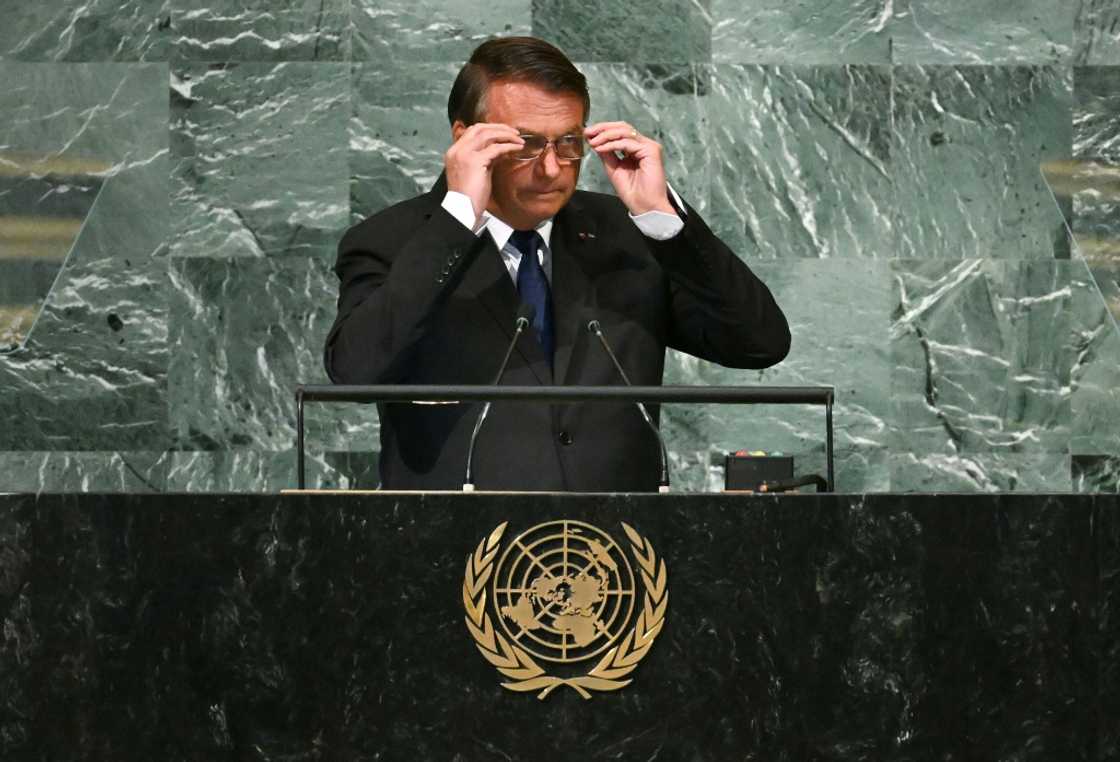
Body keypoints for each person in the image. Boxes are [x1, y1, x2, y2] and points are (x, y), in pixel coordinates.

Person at [324, 36, 790, 492]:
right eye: (525, 144)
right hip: (458, 551)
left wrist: (664, 219)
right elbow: (356, 372)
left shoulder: (627, 235)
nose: (550, 169)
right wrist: (458, 219)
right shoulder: (392, 240)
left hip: (615, 554)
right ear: (466, 140)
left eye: (568, 144)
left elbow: (759, 342)